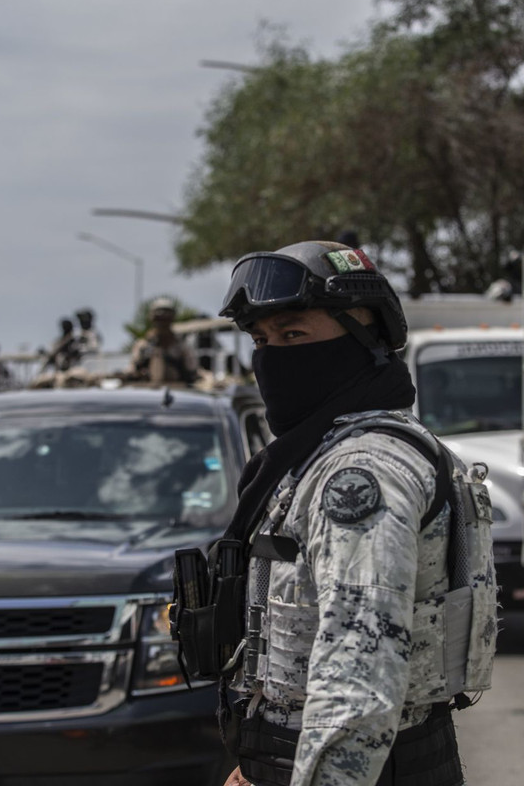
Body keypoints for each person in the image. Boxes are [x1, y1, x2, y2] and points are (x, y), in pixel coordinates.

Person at [214, 240, 495, 786]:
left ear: (367, 339)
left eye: (294, 334)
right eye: (262, 340)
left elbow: (358, 685)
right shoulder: (320, 455)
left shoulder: (362, 473)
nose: (272, 355)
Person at [128, 298, 198, 385]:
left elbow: (192, 372)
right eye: (159, 319)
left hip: (178, 391)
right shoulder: (143, 346)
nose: (162, 323)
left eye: (166, 319)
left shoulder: (182, 348)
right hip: (147, 391)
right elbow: (132, 370)